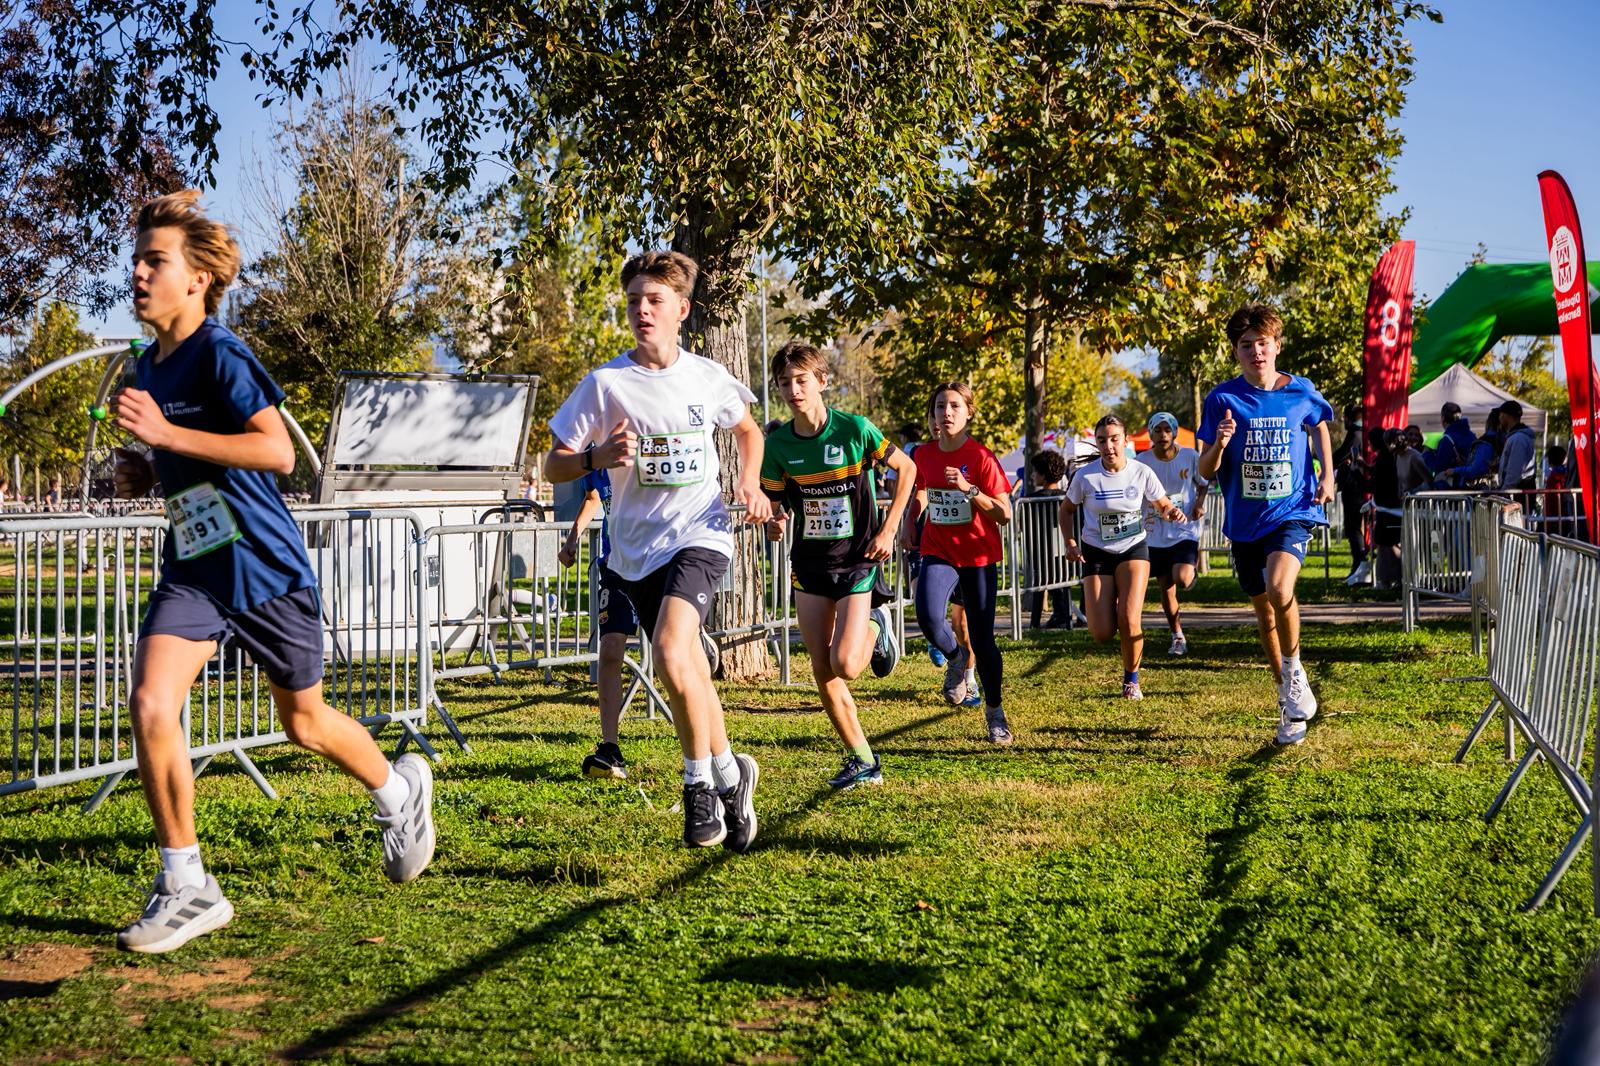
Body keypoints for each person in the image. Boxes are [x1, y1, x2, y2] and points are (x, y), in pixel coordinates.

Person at [107, 190, 436, 954]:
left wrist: (165, 433)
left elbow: (276, 452)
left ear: (196, 278)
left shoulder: (220, 352)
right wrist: (142, 466)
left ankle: (399, 790)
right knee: (152, 701)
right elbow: (182, 456)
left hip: (265, 567)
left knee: (304, 724)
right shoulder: (145, 364)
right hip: (194, 568)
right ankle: (186, 883)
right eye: (138, 259)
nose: (139, 271)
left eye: (155, 260)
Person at [544, 250, 772, 852]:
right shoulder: (606, 384)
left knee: (674, 650)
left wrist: (748, 481)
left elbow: (748, 430)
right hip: (634, 551)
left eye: (655, 301)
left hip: (701, 532)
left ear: (682, 310)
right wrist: (594, 458)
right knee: (689, 670)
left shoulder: (705, 375)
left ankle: (698, 788)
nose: (642, 311)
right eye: (634, 301)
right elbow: (551, 461)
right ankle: (731, 774)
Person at [760, 341, 917, 788]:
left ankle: (875, 624)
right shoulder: (779, 444)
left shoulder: (854, 430)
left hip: (857, 558)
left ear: (822, 381)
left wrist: (888, 530)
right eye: (785, 383)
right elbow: (775, 501)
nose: (793, 390)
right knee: (822, 667)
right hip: (809, 563)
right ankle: (863, 758)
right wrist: (775, 521)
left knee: (846, 663)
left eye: (801, 380)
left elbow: (907, 471)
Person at [1197, 302, 1335, 746]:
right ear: (1235, 352)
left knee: (1280, 590)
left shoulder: (1301, 391)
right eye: (1245, 345)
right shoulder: (1221, 399)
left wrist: (1328, 475)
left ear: (1276, 345)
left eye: (1262, 343)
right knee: (1263, 612)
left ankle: (1295, 672)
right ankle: (1287, 701)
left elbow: (1320, 427)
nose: (1255, 351)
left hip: (1291, 511)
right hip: (1244, 521)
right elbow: (1203, 470)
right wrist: (1219, 444)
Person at [904, 382, 1013, 741]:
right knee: (929, 615)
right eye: (939, 407)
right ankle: (954, 655)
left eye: (953, 406)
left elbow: (1004, 514)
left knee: (983, 641)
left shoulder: (981, 457)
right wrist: (910, 521)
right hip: (938, 547)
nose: (946, 413)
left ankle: (995, 711)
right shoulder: (923, 454)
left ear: (968, 412)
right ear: (932, 415)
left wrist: (969, 489)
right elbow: (920, 489)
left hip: (978, 554)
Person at [1061, 416, 1185, 699]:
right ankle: (1112, 604)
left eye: (1114, 439)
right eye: (1102, 440)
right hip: (1096, 551)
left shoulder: (1141, 472)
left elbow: (1162, 503)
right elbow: (1066, 510)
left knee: (1129, 619)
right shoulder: (1085, 476)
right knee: (1101, 633)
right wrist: (1070, 542)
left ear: (1125, 441)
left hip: (1133, 549)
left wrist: (1171, 512)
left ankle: (1132, 681)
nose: (1109, 446)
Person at [557, 468, 636, 779]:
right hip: (615, 566)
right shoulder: (597, 449)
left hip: (655, 562)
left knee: (672, 653)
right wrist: (572, 538)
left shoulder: (642, 434)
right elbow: (594, 497)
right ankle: (610, 748)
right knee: (611, 649)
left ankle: (705, 755)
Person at [1135, 412, 1208, 655]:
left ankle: (1192, 571)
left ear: (1175, 433)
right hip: (1154, 530)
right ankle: (1177, 635)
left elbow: (1203, 482)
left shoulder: (1189, 455)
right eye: (1158, 430)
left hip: (1183, 527)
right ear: (1151, 434)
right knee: (1166, 586)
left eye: (1168, 430)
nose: (1163, 435)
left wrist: (1198, 502)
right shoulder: (1142, 460)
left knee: (1183, 578)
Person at [1020, 449, 1072, 629]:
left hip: (1040, 558)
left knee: (1042, 580)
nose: (1033, 475)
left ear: (1042, 474)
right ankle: (1062, 615)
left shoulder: (1029, 501)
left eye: (1035, 472)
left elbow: (1023, 526)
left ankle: (1038, 621)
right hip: (1065, 559)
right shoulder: (1068, 498)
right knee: (1061, 581)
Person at [1333, 404, 1370, 586]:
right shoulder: (1360, 433)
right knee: (1354, 527)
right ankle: (1359, 566)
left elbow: (1340, 456)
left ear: (1348, 418)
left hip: (1354, 487)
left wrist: (1330, 462)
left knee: (1353, 527)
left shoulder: (1355, 434)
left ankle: (1360, 566)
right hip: (1356, 486)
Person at [1497, 400, 1538, 518]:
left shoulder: (1518, 439)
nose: (1499, 418)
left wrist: (1504, 492)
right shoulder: (1517, 437)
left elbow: (1515, 470)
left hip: (1518, 494)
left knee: (1517, 531)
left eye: (1500, 415)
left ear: (1506, 416)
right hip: (1519, 492)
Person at [1429, 402, 1475, 486]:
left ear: (1442, 419)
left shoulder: (1447, 440)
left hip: (1453, 489)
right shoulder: (1472, 436)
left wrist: (1428, 456)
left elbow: (1440, 468)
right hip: (1471, 486)